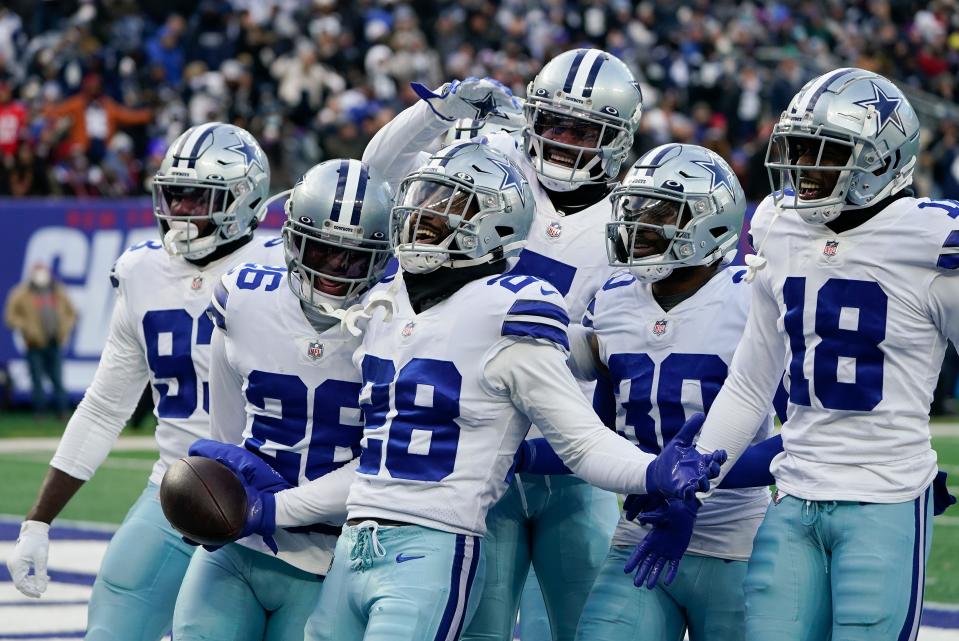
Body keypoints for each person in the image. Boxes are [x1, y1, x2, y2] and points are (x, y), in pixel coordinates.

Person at [302, 142, 726, 641]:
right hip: (354, 542)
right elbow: (372, 457)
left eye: (444, 204)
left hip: (433, 543)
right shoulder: (386, 303)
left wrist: (651, 470)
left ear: (494, 224)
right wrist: (273, 507)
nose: (423, 213)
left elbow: (583, 439)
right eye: (424, 197)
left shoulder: (509, 311)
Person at [651, 67, 954, 641]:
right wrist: (700, 473)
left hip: (885, 497)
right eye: (799, 150)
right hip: (792, 495)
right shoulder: (777, 226)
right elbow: (751, 380)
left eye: (825, 153)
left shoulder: (932, 241)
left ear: (883, 161)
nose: (805, 169)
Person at [362, 48, 644, 641]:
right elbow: (379, 175)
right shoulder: (498, 163)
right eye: (553, 122)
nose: (564, 140)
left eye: (584, 129)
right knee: (478, 628)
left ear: (616, 138)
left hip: (573, 463)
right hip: (478, 457)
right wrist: (436, 115)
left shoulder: (633, 215)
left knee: (584, 628)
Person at [5, 122, 283, 641]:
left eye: (197, 198)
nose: (179, 212)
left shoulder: (285, 267)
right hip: (176, 491)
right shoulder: (141, 272)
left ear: (244, 200)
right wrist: (39, 519)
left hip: (280, 500)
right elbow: (105, 405)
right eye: (173, 196)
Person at [171, 159, 394, 641]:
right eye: (322, 250)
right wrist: (223, 497)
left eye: (354, 257)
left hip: (338, 551)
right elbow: (226, 431)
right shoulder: (244, 298)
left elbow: (383, 460)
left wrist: (270, 510)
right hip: (241, 546)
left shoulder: (400, 321)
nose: (335, 270)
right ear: (292, 238)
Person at [567, 144, 774, 641]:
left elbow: (800, 435)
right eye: (635, 209)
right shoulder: (613, 300)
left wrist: (690, 484)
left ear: (711, 221)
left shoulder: (751, 295)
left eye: (659, 212)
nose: (639, 225)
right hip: (639, 536)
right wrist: (520, 455)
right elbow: (603, 433)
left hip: (735, 540)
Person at [4, 262, 76, 417]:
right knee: (37, 380)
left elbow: (72, 312)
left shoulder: (57, 291)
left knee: (57, 379)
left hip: (54, 341)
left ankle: (62, 412)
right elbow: (10, 316)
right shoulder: (22, 293)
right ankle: (39, 412)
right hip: (34, 343)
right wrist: (26, 327)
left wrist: (64, 328)